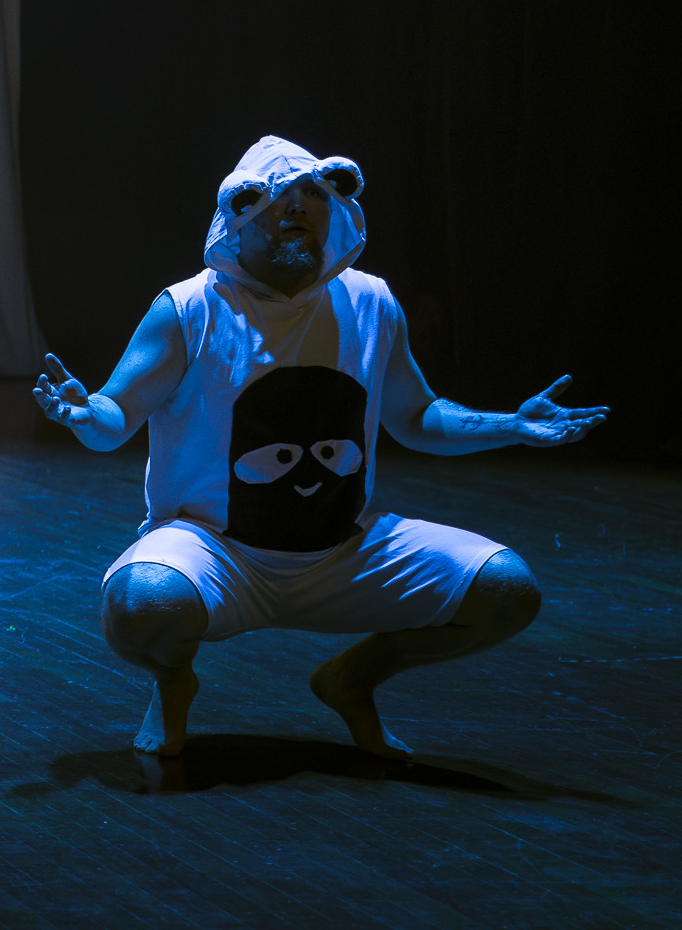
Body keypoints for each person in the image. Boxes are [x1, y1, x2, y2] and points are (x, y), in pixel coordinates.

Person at [35, 135, 609, 759]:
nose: (296, 207)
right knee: (142, 605)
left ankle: (351, 680)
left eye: (311, 195)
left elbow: (417, 417)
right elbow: (116, 416)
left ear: (334, 209)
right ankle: (173, 679)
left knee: (507, 591)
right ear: (238, 215)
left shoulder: (370, 302)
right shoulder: (190, 308)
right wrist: (84, 414)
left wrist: (512, 425)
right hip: (217, 551)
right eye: (277, 198)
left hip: (344, 549)